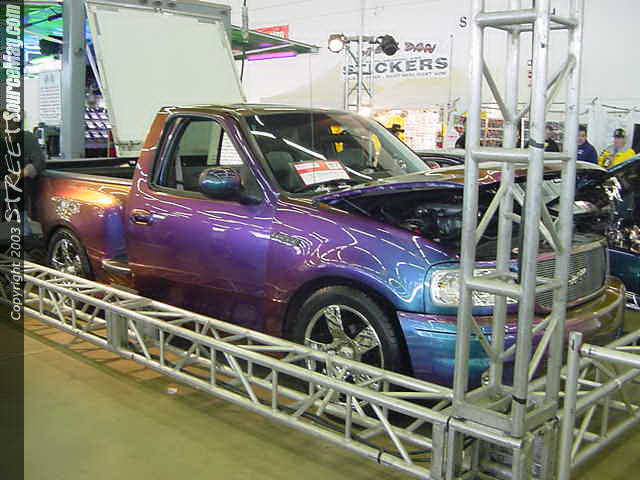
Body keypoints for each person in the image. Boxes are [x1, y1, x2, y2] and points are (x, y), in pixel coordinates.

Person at [0, 110, 45, 236]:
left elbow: (39, 163)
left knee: (22, 229)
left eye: (9, 122)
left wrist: (18, 175)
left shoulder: (27, 139)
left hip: (21, 193)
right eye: (2, 122)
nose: (5, 126)